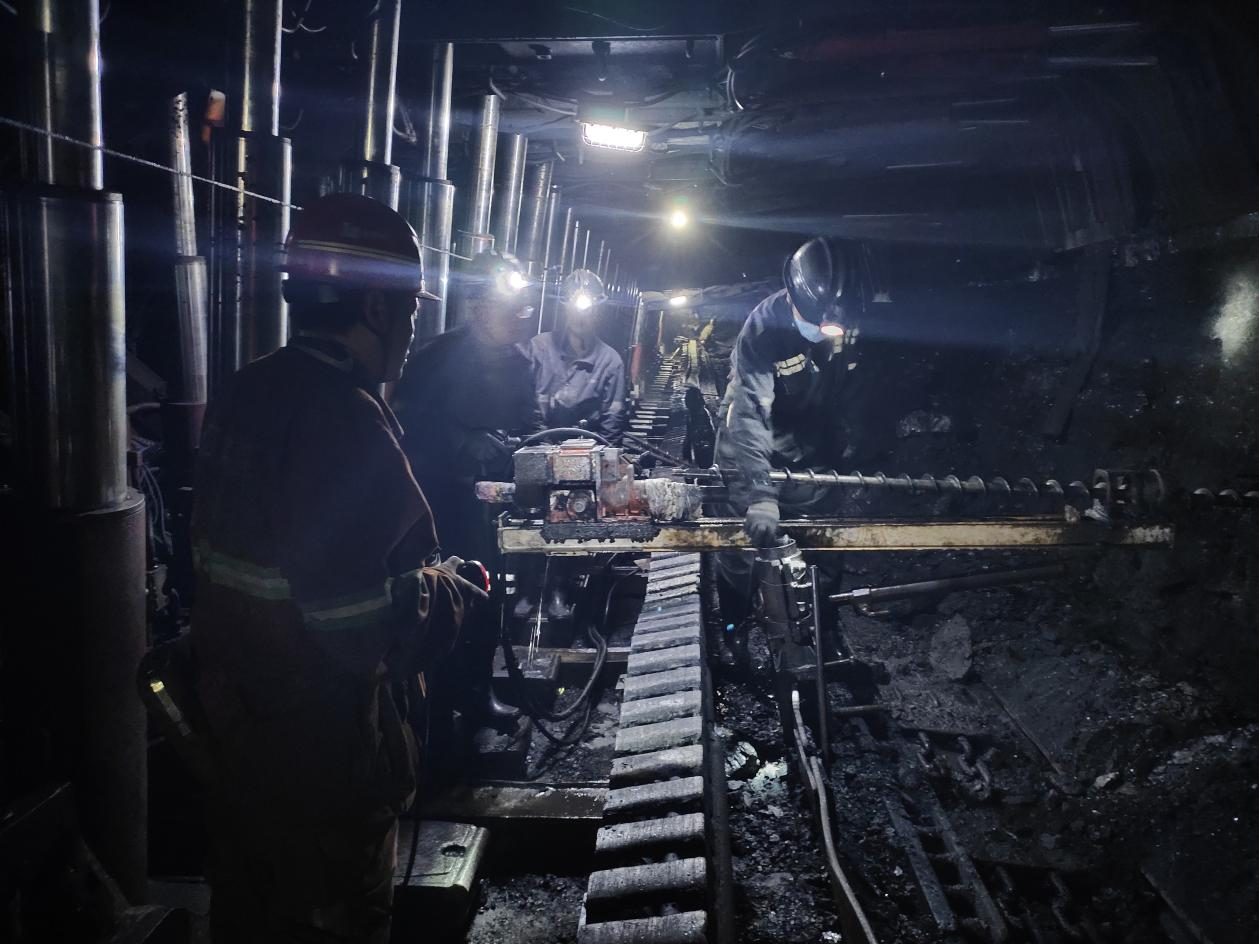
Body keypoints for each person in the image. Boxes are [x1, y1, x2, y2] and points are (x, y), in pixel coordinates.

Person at [189, 193, 486, 944]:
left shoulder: (245, 389)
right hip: (320, 751)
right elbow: (359, 624)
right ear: (379, 309)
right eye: (410, 313)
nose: (413, 333)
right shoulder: (345, 417)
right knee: (332, 919)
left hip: (238, 728)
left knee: (248, 914)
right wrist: (450, 592)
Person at [391, 248, 542, 731]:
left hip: (493, 509)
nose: (518, 318)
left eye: (521, 309)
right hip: (439, 507)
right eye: (508, 308)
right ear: (478, 308)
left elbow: (532, 420)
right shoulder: (433, 359)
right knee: (439, 601)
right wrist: (462, 441)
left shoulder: (521, 362)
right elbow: (403, 428)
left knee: (488, 598)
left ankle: (477, 693)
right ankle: (432, 705)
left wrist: (525, 446)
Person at [714, 236, 884, 627]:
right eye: (816, 323)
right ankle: (735, 625)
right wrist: (760, 493)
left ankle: (819, 622)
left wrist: (857, 444)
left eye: (833, 325)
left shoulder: (851, 322)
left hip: (808, 439)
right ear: (792, 297)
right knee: (743, 543)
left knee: (823, 536)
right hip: (749, 441)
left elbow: (857, 391)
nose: (825, 331)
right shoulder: (764, 328)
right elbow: (751, 413)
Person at [527, 268, 627, 443]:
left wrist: (597, 456)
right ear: (565, 308)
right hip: (535, 446)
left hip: (585, 449)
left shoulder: (610, 362)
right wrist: (539, 447)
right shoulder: (539, 348)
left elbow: (611, 424)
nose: (581, 317)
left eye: (588, 310)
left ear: (598, 311)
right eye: (575, 310)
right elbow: (520, 405)